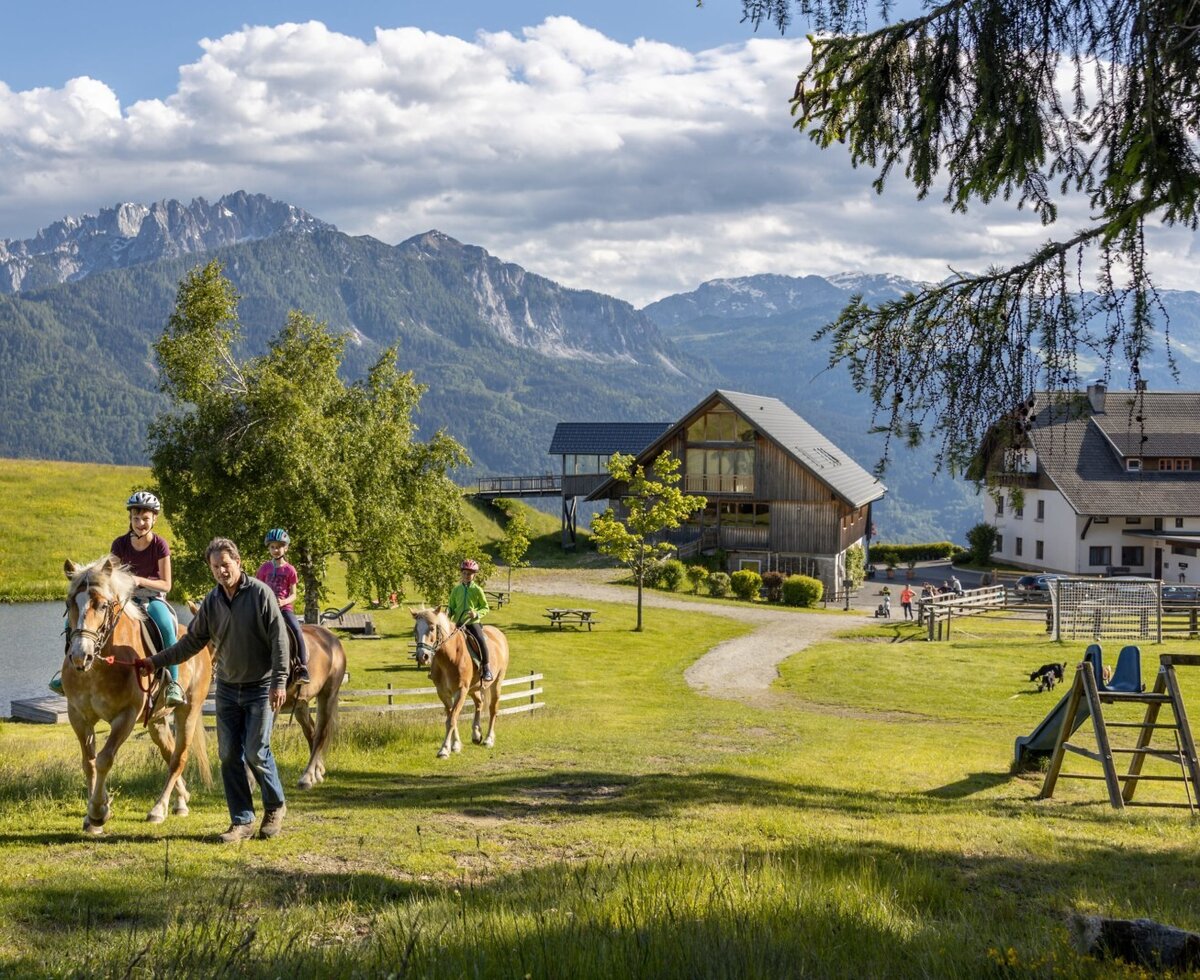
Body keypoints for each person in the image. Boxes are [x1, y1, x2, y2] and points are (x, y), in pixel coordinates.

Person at [138, 537, 289, 843]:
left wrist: (280, 680)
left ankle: (274, 806)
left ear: (239, 563)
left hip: (261, 686)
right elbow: (191, 642)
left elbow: (279, 639)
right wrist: (154, 662)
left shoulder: (261, 594)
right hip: (229, 689)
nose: (222, 571)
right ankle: (242, 821)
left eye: (226, 564)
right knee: (229, 754)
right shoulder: (212, 601)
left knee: (255, 751)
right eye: (216, 566)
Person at [51, 490, 185, 706]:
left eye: (145, 519)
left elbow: (166, 584)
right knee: (73, 620)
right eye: (136, 518)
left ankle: (174, 683)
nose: (140, 523)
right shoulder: (119, 544)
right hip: (124, 598)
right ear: (130, 519)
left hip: (152, 598)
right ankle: (66, 671)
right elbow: (108, 575)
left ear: (154, 519)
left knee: (167, 625)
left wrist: (140, 580)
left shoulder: (160, 545)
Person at [255, 528, 309, 685]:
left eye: (278, 546)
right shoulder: (264, 568)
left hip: (284, 610)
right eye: (272, 546)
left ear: (286, 548)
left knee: (296, 630)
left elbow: (294, 594)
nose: (275, 550)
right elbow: (258, 589)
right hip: (266, 610)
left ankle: (302, 667)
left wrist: (283, 602)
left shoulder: (290, 570)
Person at [449, 558, 492, 683]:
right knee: (443, 640)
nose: (467, 576)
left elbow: (485, 607)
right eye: (464, 573)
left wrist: (476, 613)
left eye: (470, 574)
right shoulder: (456, 590)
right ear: (461, 573)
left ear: (474, 575)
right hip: (458, 623)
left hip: (472, 623)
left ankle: (486, 668)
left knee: (480, 640)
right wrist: (448, 612)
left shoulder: (477, 590)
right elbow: (451, 606)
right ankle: (437, 669)